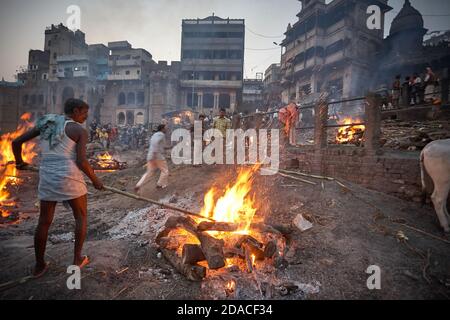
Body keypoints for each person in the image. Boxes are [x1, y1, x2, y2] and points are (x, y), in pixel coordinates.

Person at [12, 99, 104, 278]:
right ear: (76, 111)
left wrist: (19, 162)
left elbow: (16, 143)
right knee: (81, 217)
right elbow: (81, 161)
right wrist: (95, 180)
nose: (86, 117)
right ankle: (77, 259)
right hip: (69, 177)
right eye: (84, 113)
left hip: (47, 176)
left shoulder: (47, 123)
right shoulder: (79, 130)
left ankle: (39, 265)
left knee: (44, 222)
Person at [135, 124, 169, 192]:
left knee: (149, 172)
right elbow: (156, 143)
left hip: (150, 156)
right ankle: (160, 184)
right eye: (165, 128)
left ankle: (138, 185)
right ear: (162, 129)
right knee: (165, 171)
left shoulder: (155, 135)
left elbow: (160, 146)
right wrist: (155, 153)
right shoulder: (161, 134)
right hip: (157, 156)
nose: (166, 129)